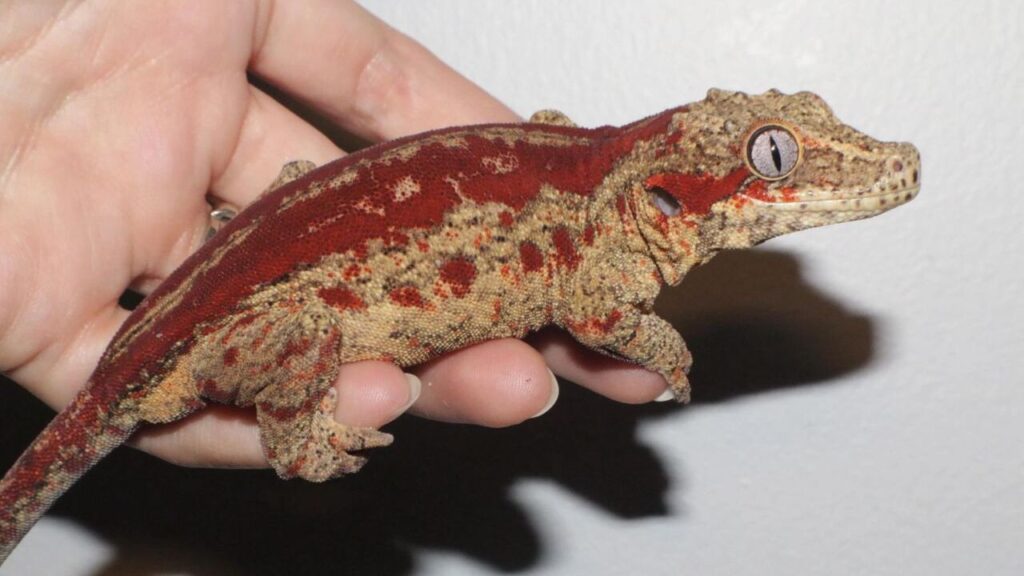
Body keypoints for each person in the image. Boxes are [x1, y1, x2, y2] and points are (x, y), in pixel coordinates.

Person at [0, 0, 671, 471]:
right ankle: (292, 441)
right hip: (203, 343)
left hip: (219, 305)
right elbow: (597, 307)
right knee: (305, 333)